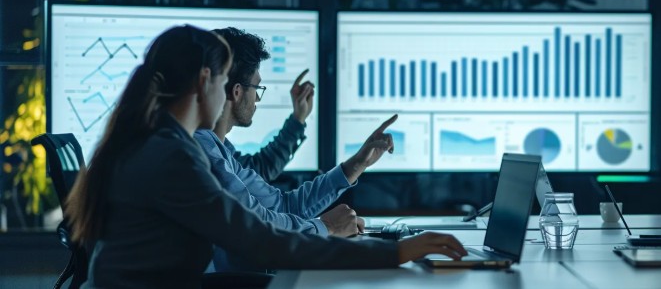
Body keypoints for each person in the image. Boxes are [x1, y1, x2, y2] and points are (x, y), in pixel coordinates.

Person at [64, 25, 466, 288]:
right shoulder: (173, 156)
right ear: (206, 82)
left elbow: (268, 218)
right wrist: (397, 252)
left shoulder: (165, 142)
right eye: (226, 81)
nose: (233, 95)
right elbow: (259, 238)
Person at [195, 27, 389, 272]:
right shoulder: (203, 149)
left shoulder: (222, 151)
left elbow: (283, 207)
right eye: (257, 89)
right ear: (236, 91)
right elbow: (260, 226)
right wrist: (327, 227)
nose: (257, 99)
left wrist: (357, 165)